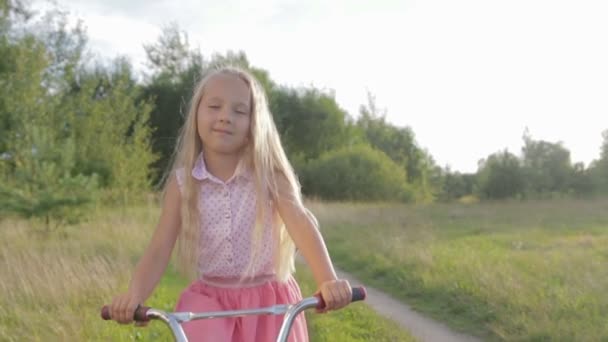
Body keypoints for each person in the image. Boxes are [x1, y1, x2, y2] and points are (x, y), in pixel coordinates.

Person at [108, 65, 352, 341]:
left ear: (254, 123)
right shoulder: (183, 184)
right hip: (208, 304)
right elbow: (158, 249)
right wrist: (134, 296)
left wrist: (327, 280)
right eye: (214, 106)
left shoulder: (269, 176)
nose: (225, 117)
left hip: (268, 303)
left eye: (240, 111)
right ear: (197, 114)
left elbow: (301, 224)